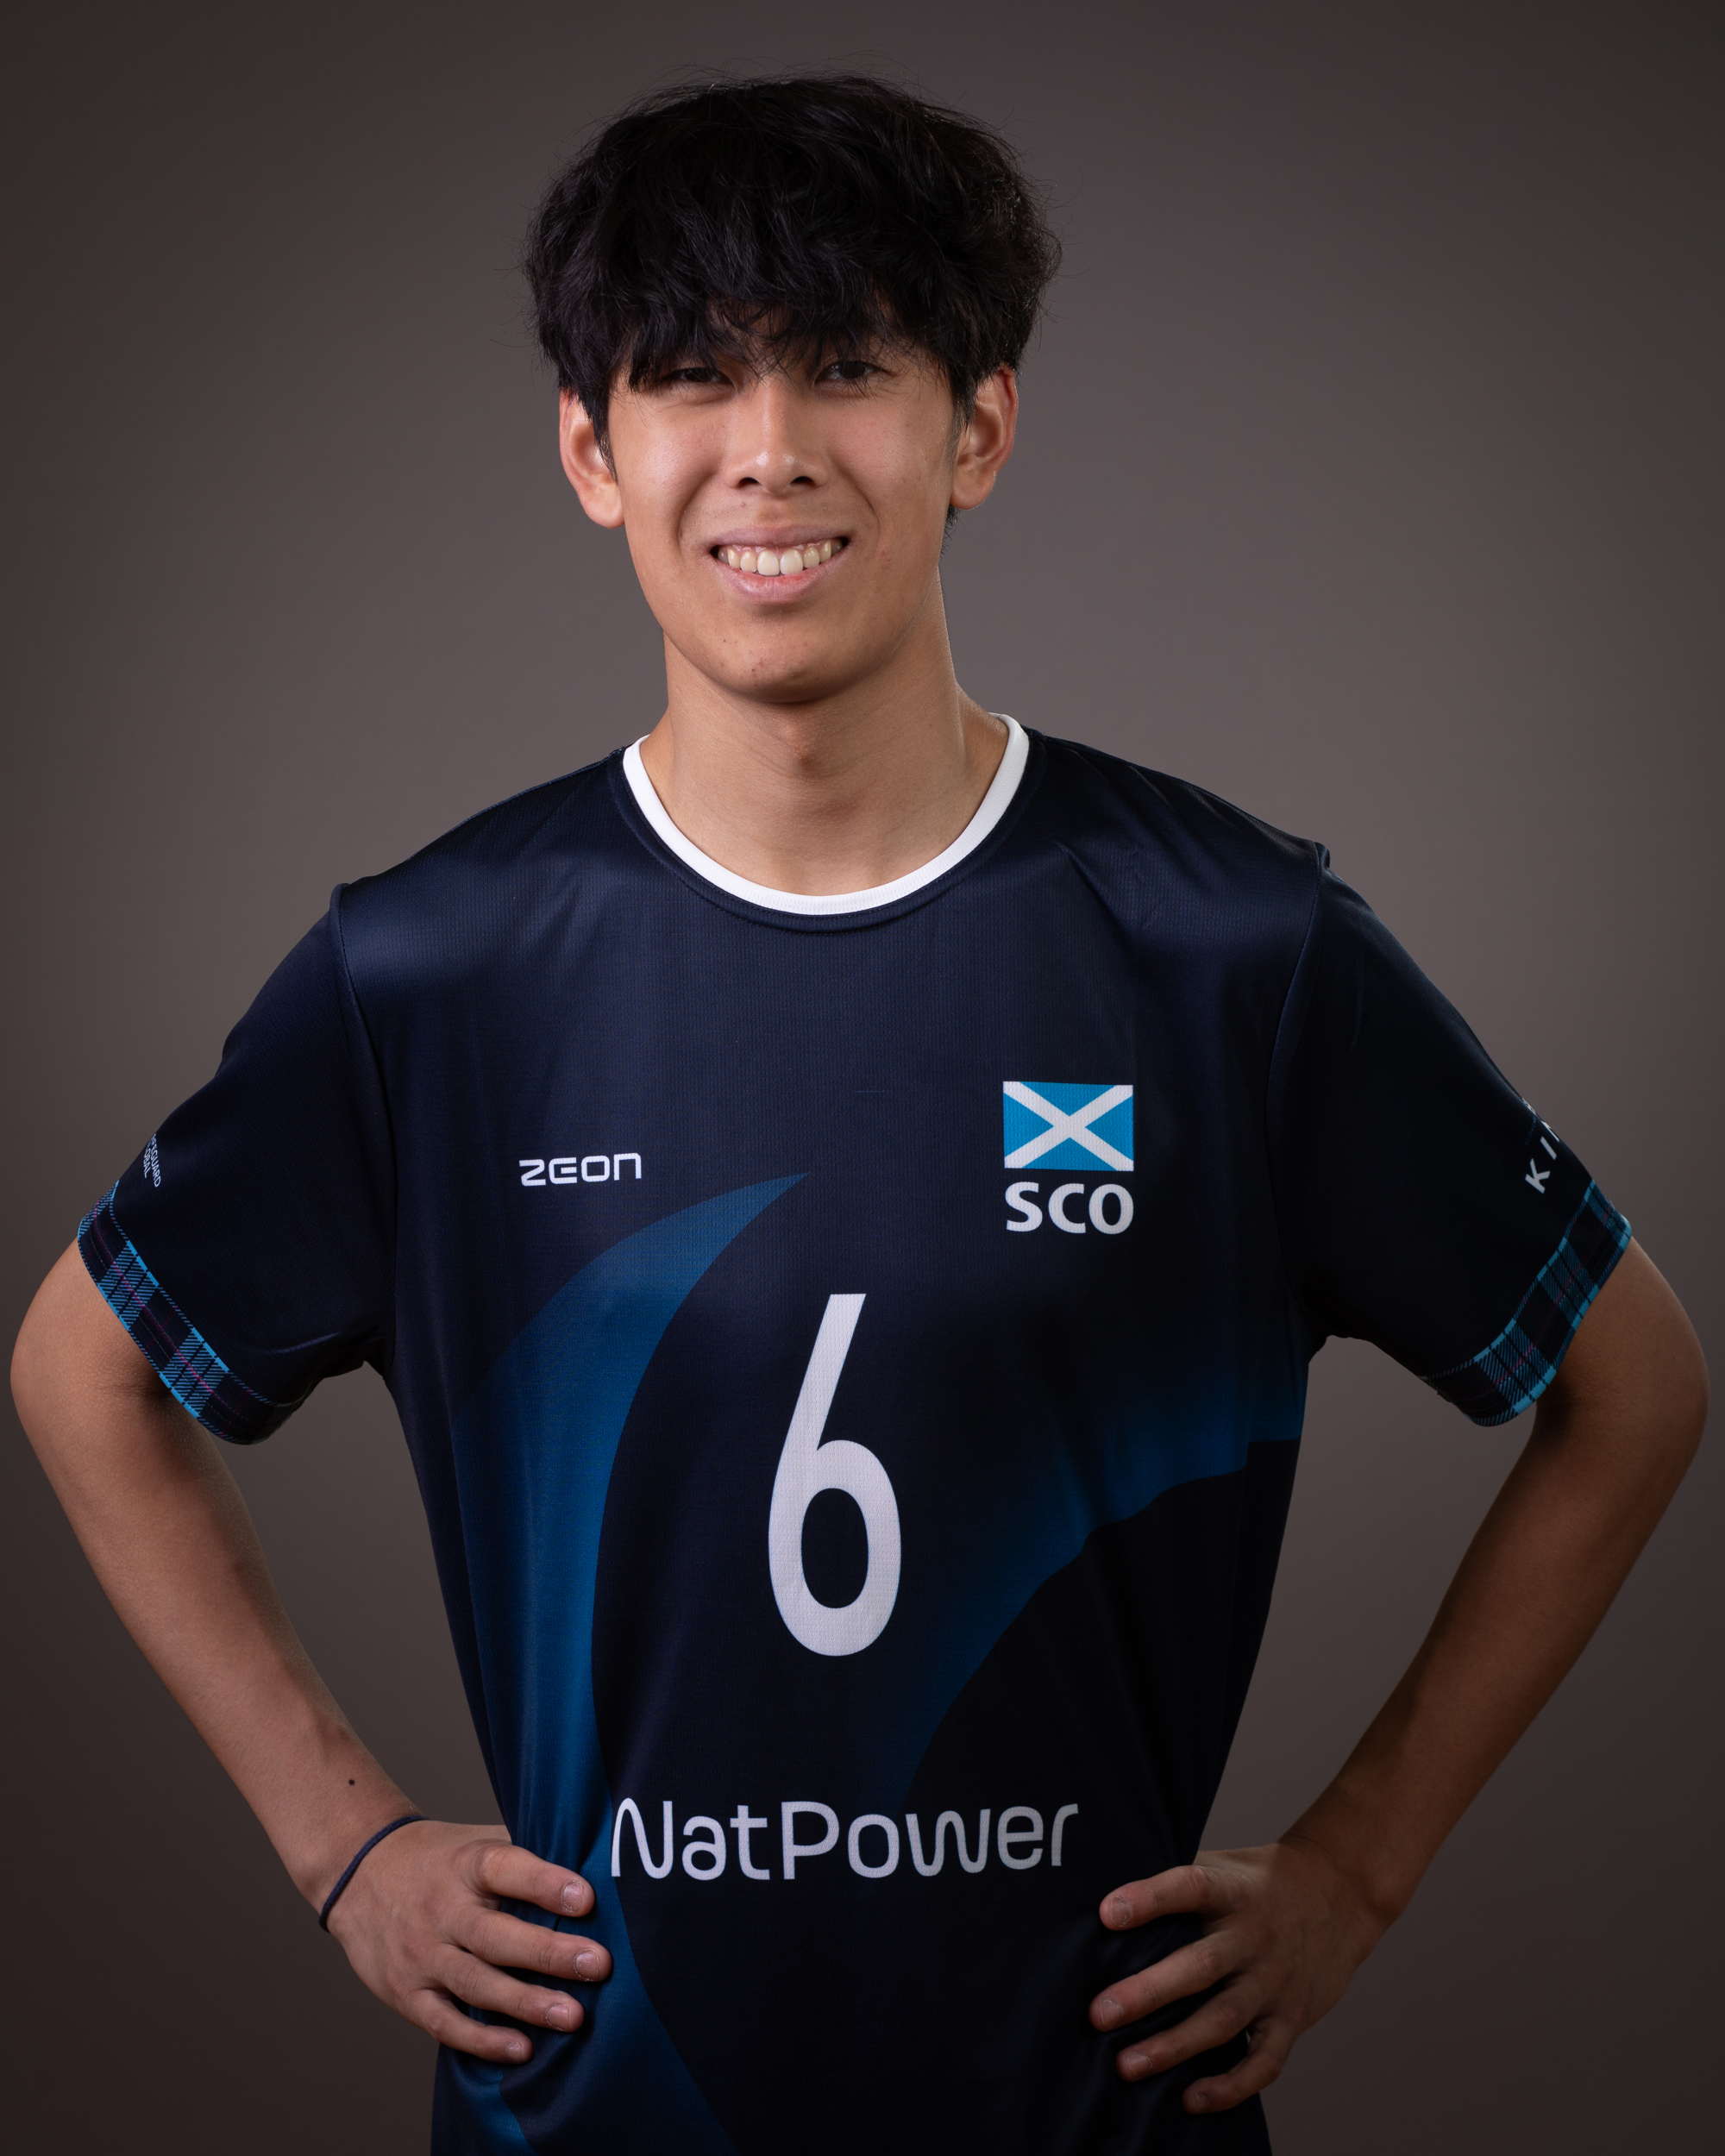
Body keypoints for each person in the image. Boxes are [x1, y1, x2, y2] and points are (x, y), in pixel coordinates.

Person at [11, 72, 1706, 2156]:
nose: (770, 449)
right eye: (689, 375)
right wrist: (341, 1839)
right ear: (590, 450)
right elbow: (85, 1362)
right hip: (598, 2114)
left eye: (842, 364)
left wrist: (1357, 1864)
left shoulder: (1227, 945)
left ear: (975, 426)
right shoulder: (432, 971)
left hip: (1094, 2115)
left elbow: (1632, 1380)